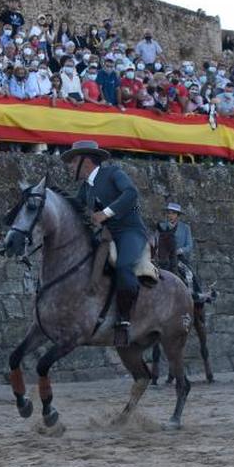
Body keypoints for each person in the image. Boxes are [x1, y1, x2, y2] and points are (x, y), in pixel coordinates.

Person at [61, 140, 149, 346]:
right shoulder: (86, 188)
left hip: (130, 232)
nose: (71, 167)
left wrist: (105, 213)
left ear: (86, 161)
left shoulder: (113, 173)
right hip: (105, 234)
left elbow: (131, 194)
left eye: (73, 162)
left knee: (123, 266)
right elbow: (75, 206)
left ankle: (124, 321)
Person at [156, 202, 213, 304]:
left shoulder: (185, 228)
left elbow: (189, 245)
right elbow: (156, 241)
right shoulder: (161, 226)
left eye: (173, 213)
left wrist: (179, 250)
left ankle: (196, 296)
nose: (170, 215)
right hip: (162, 257)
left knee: (189, 274)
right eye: (169, 213)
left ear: (178, 215)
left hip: (177, 257)